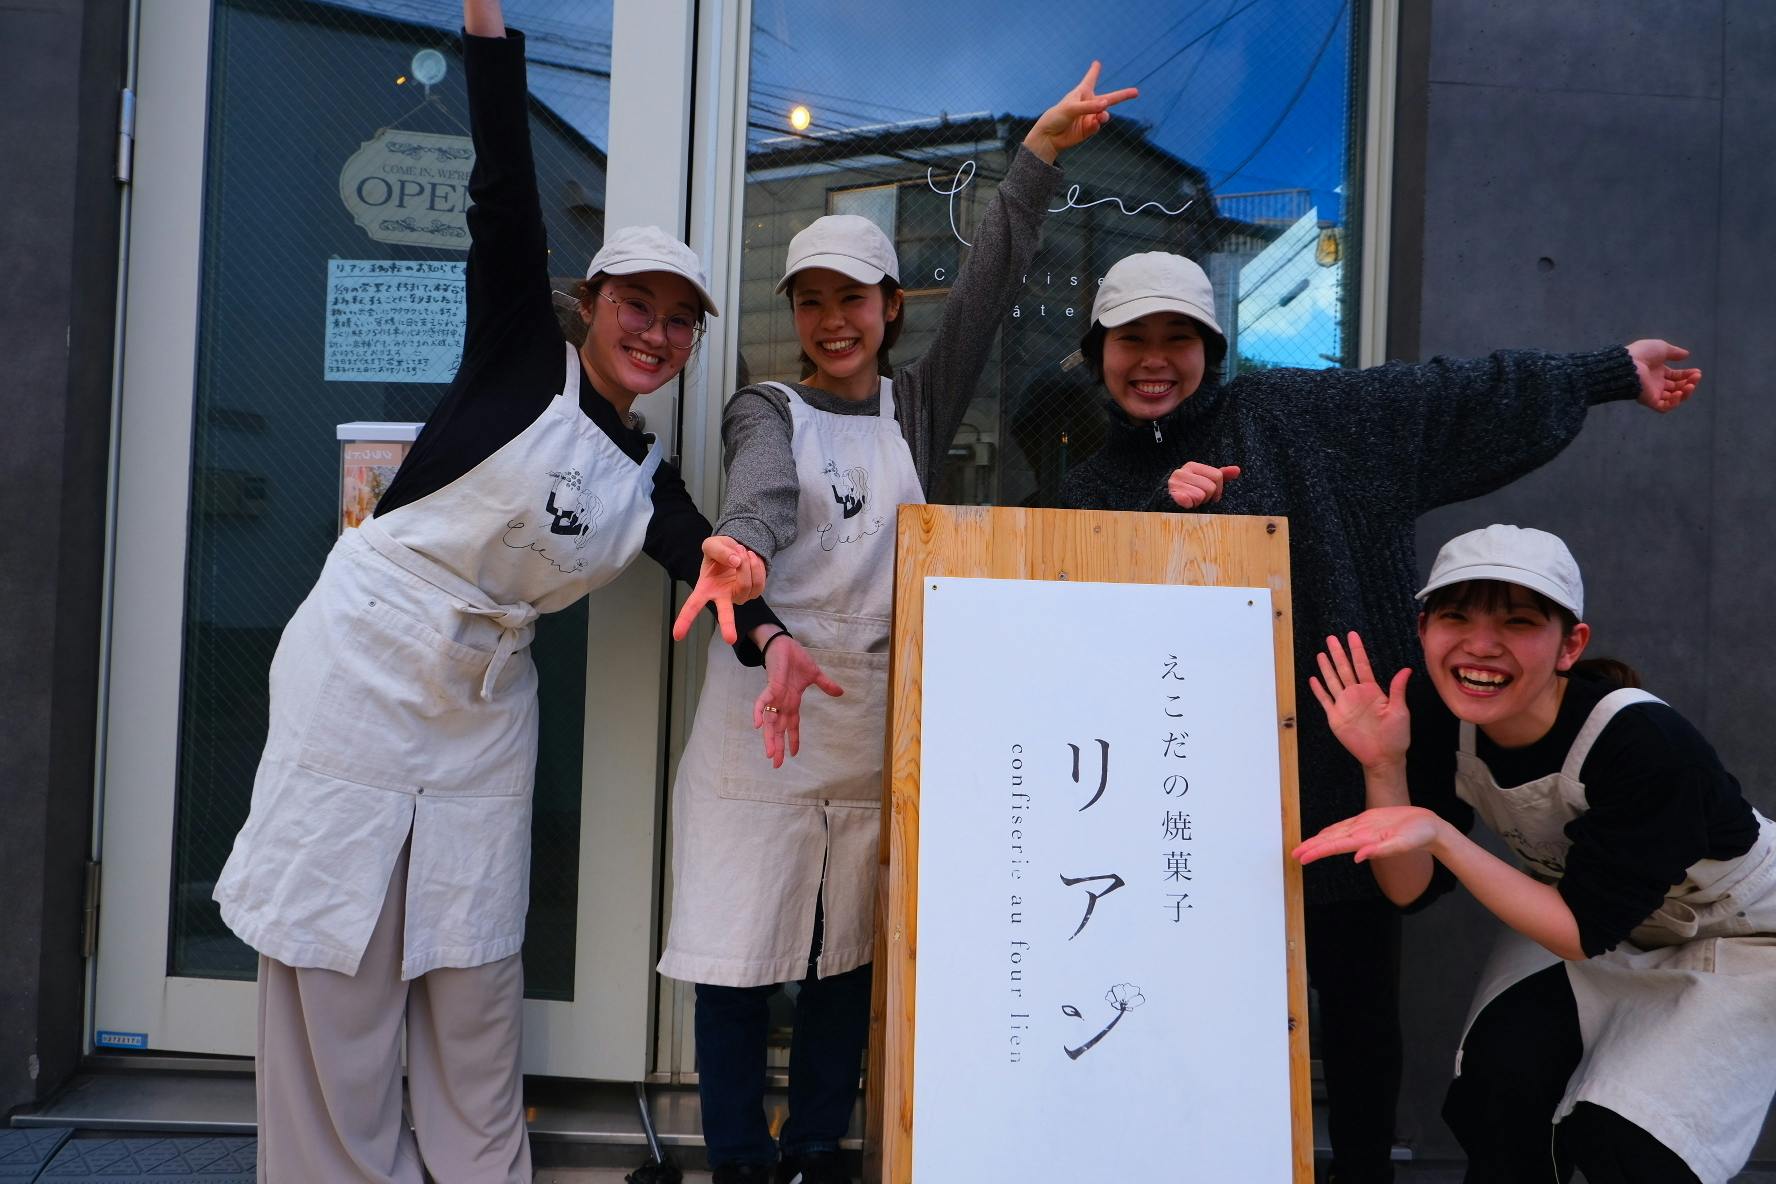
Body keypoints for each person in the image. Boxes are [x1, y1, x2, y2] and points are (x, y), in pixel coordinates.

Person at [211, 4, 779, 1179]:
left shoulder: (648, 477)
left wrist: (772, 634)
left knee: (471, 964)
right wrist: (486, 30)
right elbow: (505, 195)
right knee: (340, 952)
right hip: (366, 664)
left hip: (484, 707)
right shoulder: (521, 353)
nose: (657, 333)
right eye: (637, 306)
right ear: (592, 303)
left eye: (680, 322)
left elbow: (711, 567)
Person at [1056, 251, 1700, 1182]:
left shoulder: (1296, 416)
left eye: (1178, 338)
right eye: (1131, 340)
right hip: (1189, 807)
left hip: (1351, 771)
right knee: (1201, 1021)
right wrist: (1161, 518)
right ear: (1098, 354)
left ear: (1212, 349)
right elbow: (1079, 643)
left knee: (1359, 1023)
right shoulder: (1085, 490)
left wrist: (1608, 372)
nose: (1154, 360)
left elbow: (1448, 398)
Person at [655, 65, 1138, 1184]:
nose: (833, 322)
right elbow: (762, 485)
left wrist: (1040, 156)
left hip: (873, 719)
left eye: (854, 299)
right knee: (737, 958)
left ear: (890, 310)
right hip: (761, 720)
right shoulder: (764, 407)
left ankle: (818, 1148)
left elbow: (991, 284)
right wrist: (741, 546)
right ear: (795, 315)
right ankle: (739, 1159)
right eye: (812, 302)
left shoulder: (914, 405)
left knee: (845, 958)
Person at [1294, 525, 1776, 1184]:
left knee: (1632, 1142)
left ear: (1569, 645)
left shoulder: (1644, 741)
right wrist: (1385, 765)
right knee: (1499, 1088)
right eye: (1456, 617)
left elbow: (1579, 931)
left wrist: (1439, 834)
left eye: (1517, 622)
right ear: (1424, 629)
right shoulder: (1432, 715)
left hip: (1741, 935)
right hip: (1588, 915)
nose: (1480, 645)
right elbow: (1407, 888)